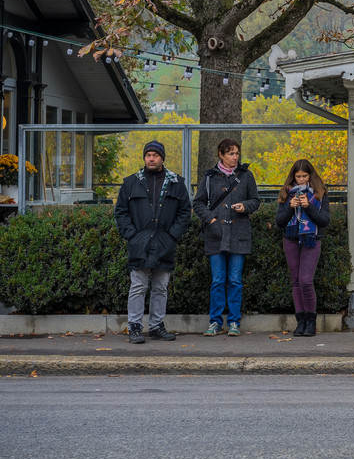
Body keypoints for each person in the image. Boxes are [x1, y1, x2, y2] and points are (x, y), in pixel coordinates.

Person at [114, 140, 192, 344]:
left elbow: (185, 212)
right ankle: (135, 328)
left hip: (164, 243)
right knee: (138, 286)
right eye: (148, 155)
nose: (151, 158)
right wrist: (132, 235)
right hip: (139, 244)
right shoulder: (131, 182)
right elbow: (121, 211)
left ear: (162, 158)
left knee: (161, 287)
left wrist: (172, 235)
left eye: (155, 155)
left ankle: (157, 326)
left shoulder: (176, 182)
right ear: (144, 158)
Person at [193, 138, 260, 337]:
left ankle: (234, 322)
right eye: (231, 153)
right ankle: (214, 322)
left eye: (237, 153)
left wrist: (245, 206)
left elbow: (256, 200)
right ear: (221, 155)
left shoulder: (246, 176)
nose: (235, 157)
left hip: (239, 235)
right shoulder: (209, 177)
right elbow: (198, 204)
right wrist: (212, 220)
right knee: (217, 280)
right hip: (215, 235)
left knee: (235, 280)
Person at [275, 159, 331, 337]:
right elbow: (279, 222)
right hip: (290, 239)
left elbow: (324, 221)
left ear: (310, 175)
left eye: (304, 176)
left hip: (311, 239)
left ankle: (311, 321)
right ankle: (301, 322)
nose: (301, 180)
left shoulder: (320, 193)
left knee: (306, 280)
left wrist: (309, 207)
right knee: (296, 282)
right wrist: (290, 208)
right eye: (298, 176)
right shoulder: (286, 192)